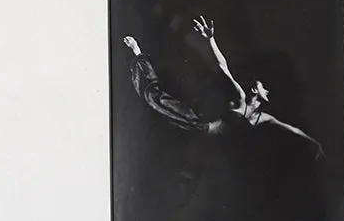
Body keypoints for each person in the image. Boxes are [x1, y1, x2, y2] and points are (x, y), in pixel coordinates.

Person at [121, 15, 322, 158]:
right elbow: (223, 67)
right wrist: (211, 40)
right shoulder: (240, 96)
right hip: (196, 124)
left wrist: (315, 144)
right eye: (264, 87)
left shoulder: (263, 118)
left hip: (213, 148)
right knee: (155, 100)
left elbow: (292, 130)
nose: (268, 90)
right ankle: (138, 53)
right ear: (254, 90)